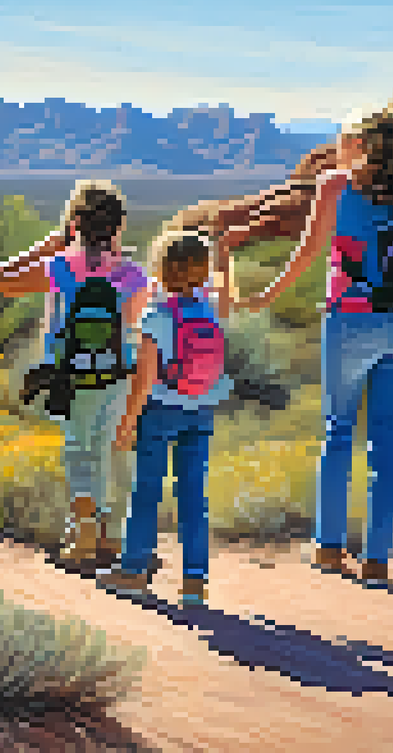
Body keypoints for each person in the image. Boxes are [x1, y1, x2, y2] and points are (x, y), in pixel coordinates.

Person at [236, 106, 393, 588]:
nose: (336, 150)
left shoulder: (337, 185)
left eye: (342, 141)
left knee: (339, 432)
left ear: (358, 146)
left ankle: (330, 547)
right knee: (388, 439)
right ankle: (377, 557)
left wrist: (266, 295)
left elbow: (310, 250)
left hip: (353, 323)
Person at [0, 181, 150, 570]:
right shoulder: (132, 275)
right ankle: (113, 537)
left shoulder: (59, 266)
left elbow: (3, 279)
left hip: (71, 377)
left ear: (75, 223)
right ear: (118, 226)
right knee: (113, 451)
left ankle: (83, 535)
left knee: (80, 452)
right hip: (117, 376)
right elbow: (133, 325)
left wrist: (50, 244)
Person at [98, 231, 234, 606]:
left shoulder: (157, 315)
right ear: (203, 271)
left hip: (161, 412)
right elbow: (225, 292)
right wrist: (224, 256)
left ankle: (133, 569)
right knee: (193, 495)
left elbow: (144, 379)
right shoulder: (209, 308)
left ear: (159, 269)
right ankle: (194, 580)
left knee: (146, 492)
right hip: (201, 410)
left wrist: (126, 423)